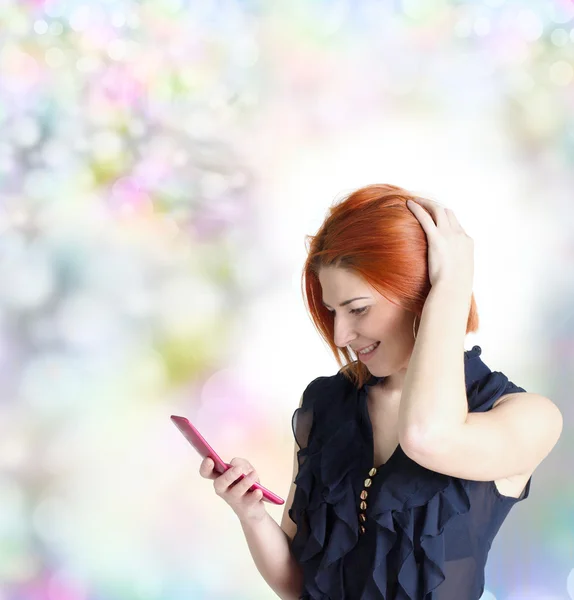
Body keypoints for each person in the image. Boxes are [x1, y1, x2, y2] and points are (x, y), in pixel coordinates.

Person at [199, 183, 562, 599]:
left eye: (357, 309)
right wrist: (250, 514)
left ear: (421, 291)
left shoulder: (527, 416)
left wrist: (453, 288)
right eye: (333, 312)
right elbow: (300, 585)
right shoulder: (325, 405)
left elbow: (429, 437)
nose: (340, 335)